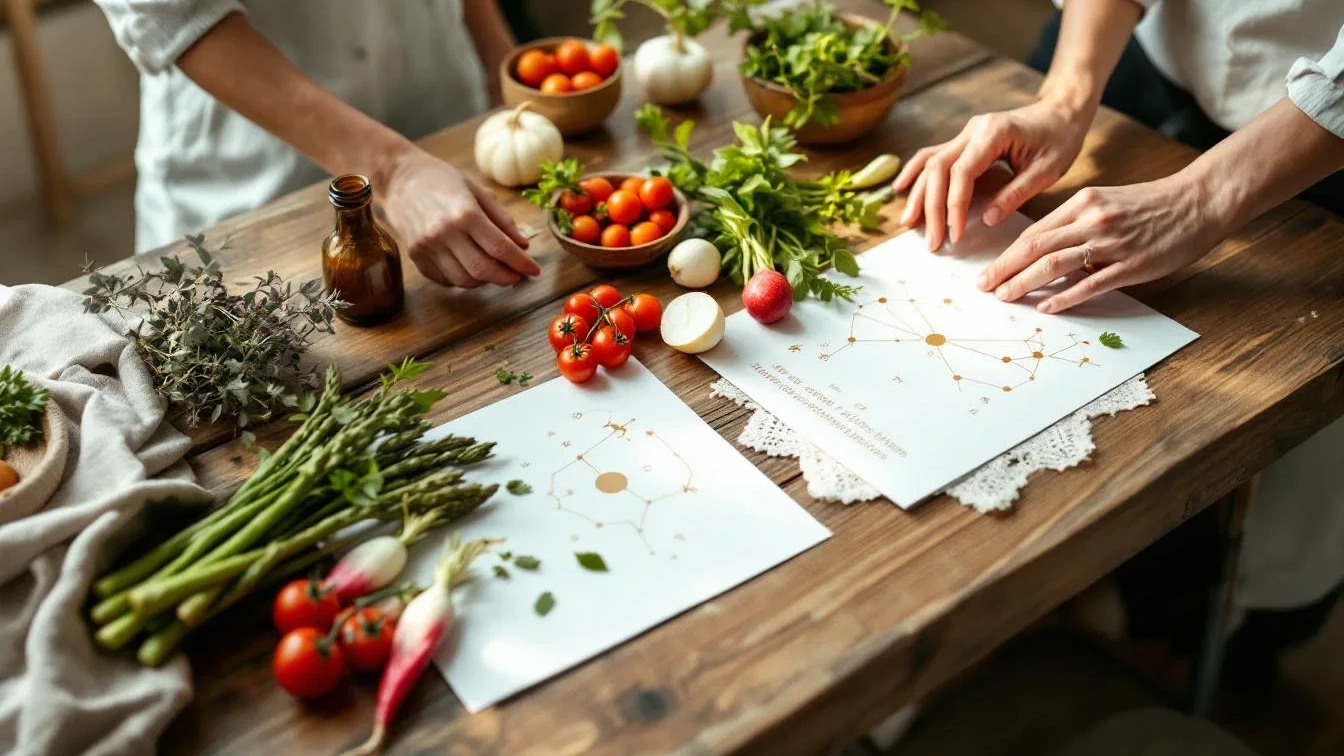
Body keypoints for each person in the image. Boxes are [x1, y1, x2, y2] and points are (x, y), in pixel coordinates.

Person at [892, 0, 1344, 687]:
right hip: (1133, 47)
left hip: (1321, 145)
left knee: (1235, 455)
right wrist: (1065, 99)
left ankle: (1199, 651)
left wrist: (1199, 200)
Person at [93, 0, 542, 290]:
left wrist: (499, 60)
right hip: (261, 181)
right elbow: (172, 14)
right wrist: (393, 171)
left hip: (446, 115)